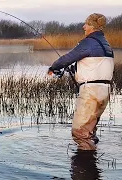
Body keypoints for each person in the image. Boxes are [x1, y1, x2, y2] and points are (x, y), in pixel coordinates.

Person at [48, 13, 115, 150]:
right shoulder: (105, 44)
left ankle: (85, 167)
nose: (83, 26)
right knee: (89, 131)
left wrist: (53, 67)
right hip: (105, 91)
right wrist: (74, 70)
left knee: (80, 134)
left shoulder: (88, 42)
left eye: (86, 24)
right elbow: (94, 65)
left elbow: (68, 58)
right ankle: (92, 162)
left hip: (91, 92)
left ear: (93, 26)